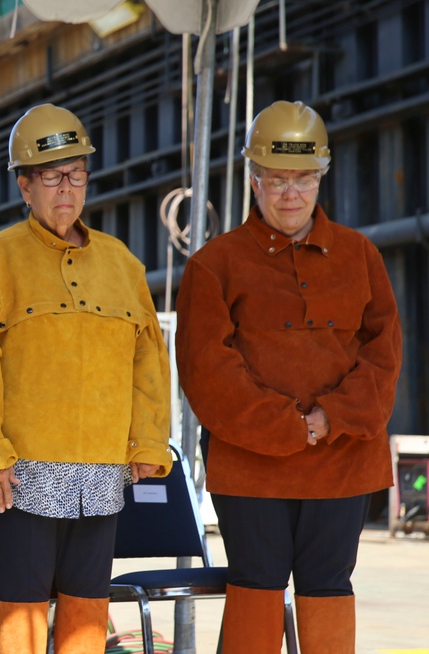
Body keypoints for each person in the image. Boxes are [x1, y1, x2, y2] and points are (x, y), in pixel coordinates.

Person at [175, 100, 402, 652]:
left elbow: (385, 352)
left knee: (328, 588)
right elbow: (207, 370)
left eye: (303, 179)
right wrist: (288, 427)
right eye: (277, 180)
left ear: (321, 177)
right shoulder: (214, 265)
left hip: (343, 461)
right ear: (254, 181)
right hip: (251, 467)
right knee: (255, 587)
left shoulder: (361, 256)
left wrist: (331, 419)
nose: (291, 194)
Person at [0, 103, 172, 654]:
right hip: (21, 472)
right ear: (24, 186)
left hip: (101, 471)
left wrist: (148, 441)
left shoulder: (123, 266)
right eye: (51, 177)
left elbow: (149, 360)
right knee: (21, 610)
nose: (66, 190)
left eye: (76, 176)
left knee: (87, 609)